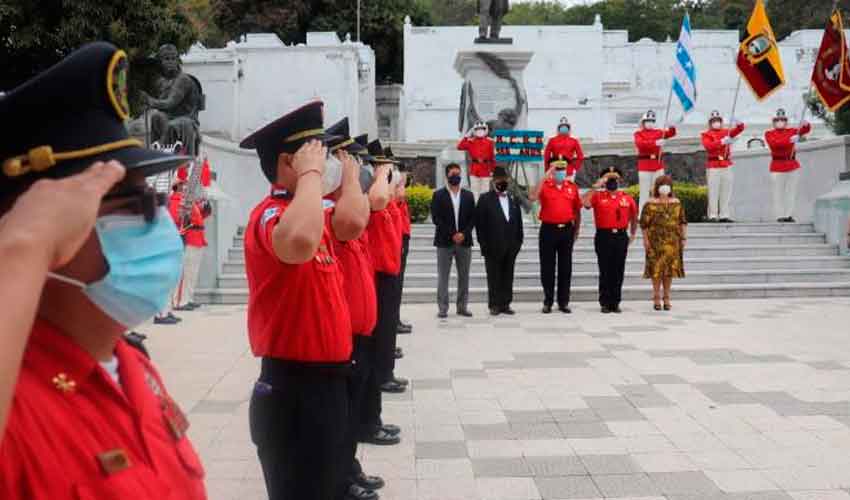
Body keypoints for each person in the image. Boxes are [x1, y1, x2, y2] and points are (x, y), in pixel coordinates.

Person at [0, 42, 205, 498]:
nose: (160, 218)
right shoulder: (16, 404)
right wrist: (21, 249)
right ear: (43, 227)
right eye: (134, 204)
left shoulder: (131, 365)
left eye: (154, 199)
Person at [239, 100, 367, 500]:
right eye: (315, 154)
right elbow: (296, 242)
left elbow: (352, 221)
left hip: (327, 385)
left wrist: (347, 177)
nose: (322, 163)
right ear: (286, 161)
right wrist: (310, 175)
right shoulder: (270, 215)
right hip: (293, 389)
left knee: (327, 487)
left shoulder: (313, 214)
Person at [324, 129, 383, 500]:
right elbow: (370, 206)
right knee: (341, 414)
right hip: (342, 331)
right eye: (350, 159)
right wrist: (353, 180)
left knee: (349, 410)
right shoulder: (331, 208)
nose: (359, 167)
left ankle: (348, 468)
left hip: (358, 327)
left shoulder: (344, 202)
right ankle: (341, 475)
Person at [360, 139, 405, 445]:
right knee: (369, 357)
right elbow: (380, 198)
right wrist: (381, 176)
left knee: (380, 340)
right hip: (375, 276)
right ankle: (369, 421)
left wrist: (389, 179)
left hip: (384, 274)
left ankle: (372, 418)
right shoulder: (370, 198)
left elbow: (391, 196)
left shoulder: (382, 198)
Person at [529, 156, 582, 314]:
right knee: (547, 267)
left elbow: (577, 210)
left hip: (566, 230)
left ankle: (563, 301)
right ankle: (548, 301)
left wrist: (577, 229)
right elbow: (532, 196)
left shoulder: (572, 187)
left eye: (562, 169)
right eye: (557, 169)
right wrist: (547, 174)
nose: (560, 172)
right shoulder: (545, 185)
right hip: (548, 230)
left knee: (566, 267)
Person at [582, 167, 638, 314]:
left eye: (614, 178)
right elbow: (585, 202)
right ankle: (605, 302)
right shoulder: (598, 196)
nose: (612, 181)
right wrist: (597, 185)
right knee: (605, 269)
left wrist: (632, 234)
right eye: (609, 179)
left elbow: (633, 216)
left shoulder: (626, 197)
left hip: (620, 236)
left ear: (619, 180)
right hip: (603, 236)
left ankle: (616, 301)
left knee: (618, 270)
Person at [475, 166, 524, 316]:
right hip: (492, 246)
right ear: (493, 181)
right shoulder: (485, 199)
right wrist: (484, 245)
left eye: (504, 179)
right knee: (494, 276)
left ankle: (506, 303)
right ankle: (494, 304)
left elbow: (518, 223)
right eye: (499, 180)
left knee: (508, 275)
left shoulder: (513, 199)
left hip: (511, 246)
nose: (502, 182)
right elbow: (480, 225)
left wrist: (518, 243)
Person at [430, 162, 476, 318]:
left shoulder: (468, 195)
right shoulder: (438, 195)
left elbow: (472, 219)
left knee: (464, 276)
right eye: (453, 174)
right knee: (443, 276)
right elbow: (437, 219)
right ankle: (443, 308)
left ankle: (462, 307)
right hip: (444, 242)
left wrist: (463, 233)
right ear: (447, 175)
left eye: (458, 173)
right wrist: (452, 234)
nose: (456, 177)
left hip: (465, 241)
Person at [640, 175, 688, 311]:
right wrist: (645, 240)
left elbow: (683, 221)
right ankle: (656, 297)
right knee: (656, 270)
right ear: (657, 186)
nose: (665, 186)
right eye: (662, 184)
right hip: (655, 242)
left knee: (669, 271)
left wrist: (684, 238)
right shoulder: (650, 203)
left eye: (667, 184)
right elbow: (644, 224)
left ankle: (666, 297)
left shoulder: (676, 202)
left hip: (672, 241)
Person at [169, 179, 211, 311]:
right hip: (188, 238)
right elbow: (179, 220)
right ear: (177, 187)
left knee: (192, 273)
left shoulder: (188, 201)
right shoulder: (175, 201)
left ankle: (188, 298)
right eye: (183, 185)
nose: (186, 186)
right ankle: (179, 301)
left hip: (197, 239)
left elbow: (199, 217)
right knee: (184, 272)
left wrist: (205, 208)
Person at [765, 108, 811, 222]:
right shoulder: (769, 133)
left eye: (782, 119)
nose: (780, 122)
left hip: (791, 165)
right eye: (778, 120)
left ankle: (788, 214)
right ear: (774, 122)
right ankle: (780, 215)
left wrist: (805, 123)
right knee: (778, 193)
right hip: (777, 165)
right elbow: (775, 144)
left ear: (786, 121)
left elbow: (805, 130)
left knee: (791, 192)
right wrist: (790, 140)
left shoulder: (792, 131)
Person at [701, 110, 745, 222]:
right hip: (713, 165)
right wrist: (721, 142)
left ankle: (724, 214)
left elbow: (739, 130)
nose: (716, 122)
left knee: (726, 190)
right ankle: (712, 215)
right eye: (714, 121)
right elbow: (708, 146)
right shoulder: (706, 134)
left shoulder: (727, 132)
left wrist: (738, 122)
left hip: (726, 164)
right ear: (710, 123)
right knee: (713, 191)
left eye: (718, 120)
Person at [633, 110, 677, 213]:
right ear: (643, 122)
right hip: (644, 166)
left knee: (660, 191)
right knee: (644, 192)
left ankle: (659, 212)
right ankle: (642, 214)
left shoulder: (659, 132)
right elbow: (641, 144)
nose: (650, 122)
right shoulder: (638, 134)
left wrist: (671, 125)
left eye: (652, 120)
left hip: (657, 165)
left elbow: (671, 133)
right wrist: (655, 143)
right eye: (648, 120)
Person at [457, 121, 496, 200]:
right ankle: (475, 209)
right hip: (475, 169)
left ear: (486, 130)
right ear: (474, 130)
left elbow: (493, 158)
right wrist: (466, 136)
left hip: (486, 169)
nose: (480, 130)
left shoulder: (490, 142)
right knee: (474, 192)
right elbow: (459, 146)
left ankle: (484, 210)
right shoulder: (471, 141)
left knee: (485, 192)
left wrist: (492, 170)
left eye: (482, 128)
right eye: (477, 129)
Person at [396, 172, 413, 335]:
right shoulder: (391, 200)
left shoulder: (399, 201)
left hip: (403, 239)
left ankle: (396, 320)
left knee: (397, 288)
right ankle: (393, 323)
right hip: (397, 242)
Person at [543, 117, 584, 181]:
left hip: (568, 171)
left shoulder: (574, 141)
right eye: (562, 126)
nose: (564, 128)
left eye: (565, 127)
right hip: (555, 170)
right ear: (558, 129)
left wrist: (575, 168)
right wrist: (548, 169)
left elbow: (580, 156)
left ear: (569, 129)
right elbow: (546, 156)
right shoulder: (552, 140)